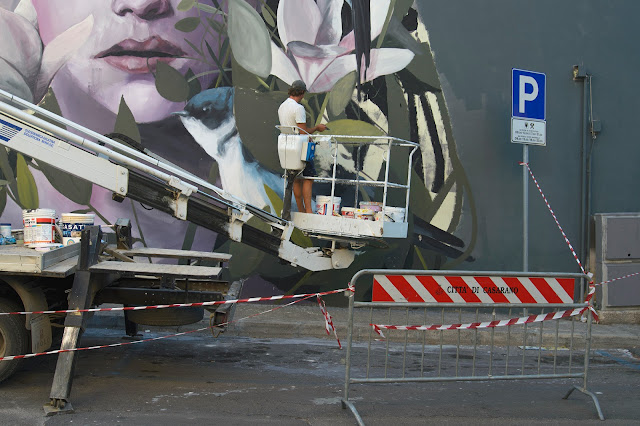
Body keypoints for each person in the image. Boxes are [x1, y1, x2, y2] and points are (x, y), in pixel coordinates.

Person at [277, 80, 326, 217]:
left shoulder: (282, 106)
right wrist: (317, 128)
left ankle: (301, 209)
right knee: (308, 177)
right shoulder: (298, 109)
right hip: (299, 147)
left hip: (287, 147)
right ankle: (309, 211)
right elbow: (303, 132)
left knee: (296, 179)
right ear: (302, 93)